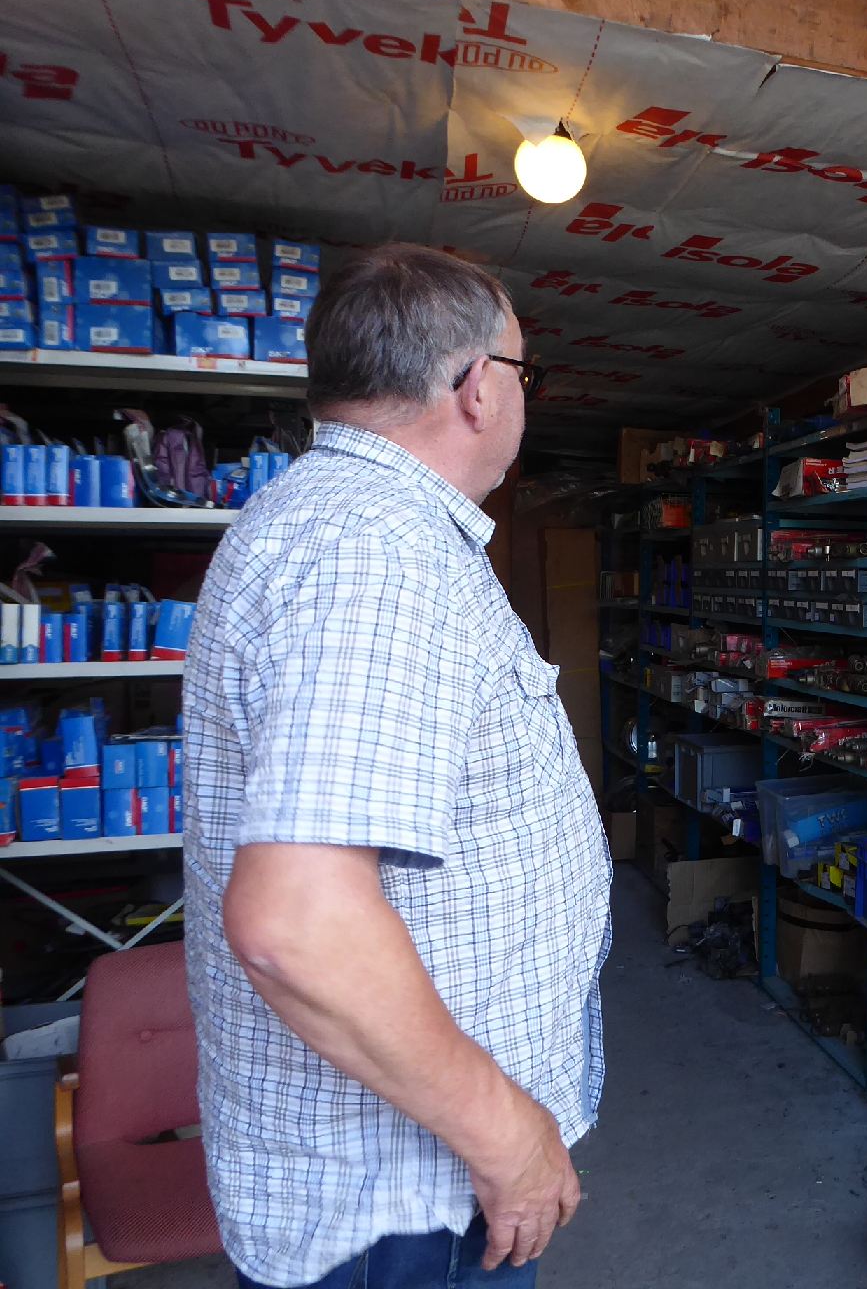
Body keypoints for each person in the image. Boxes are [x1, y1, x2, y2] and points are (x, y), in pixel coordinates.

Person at [182, 243, 612, 1289]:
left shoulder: (354, 526)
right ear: (478, 387)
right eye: (525, 372)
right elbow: (299, 924)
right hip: (405, 1202)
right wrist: (506, 1132)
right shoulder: (372, 552)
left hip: (404, 1183)